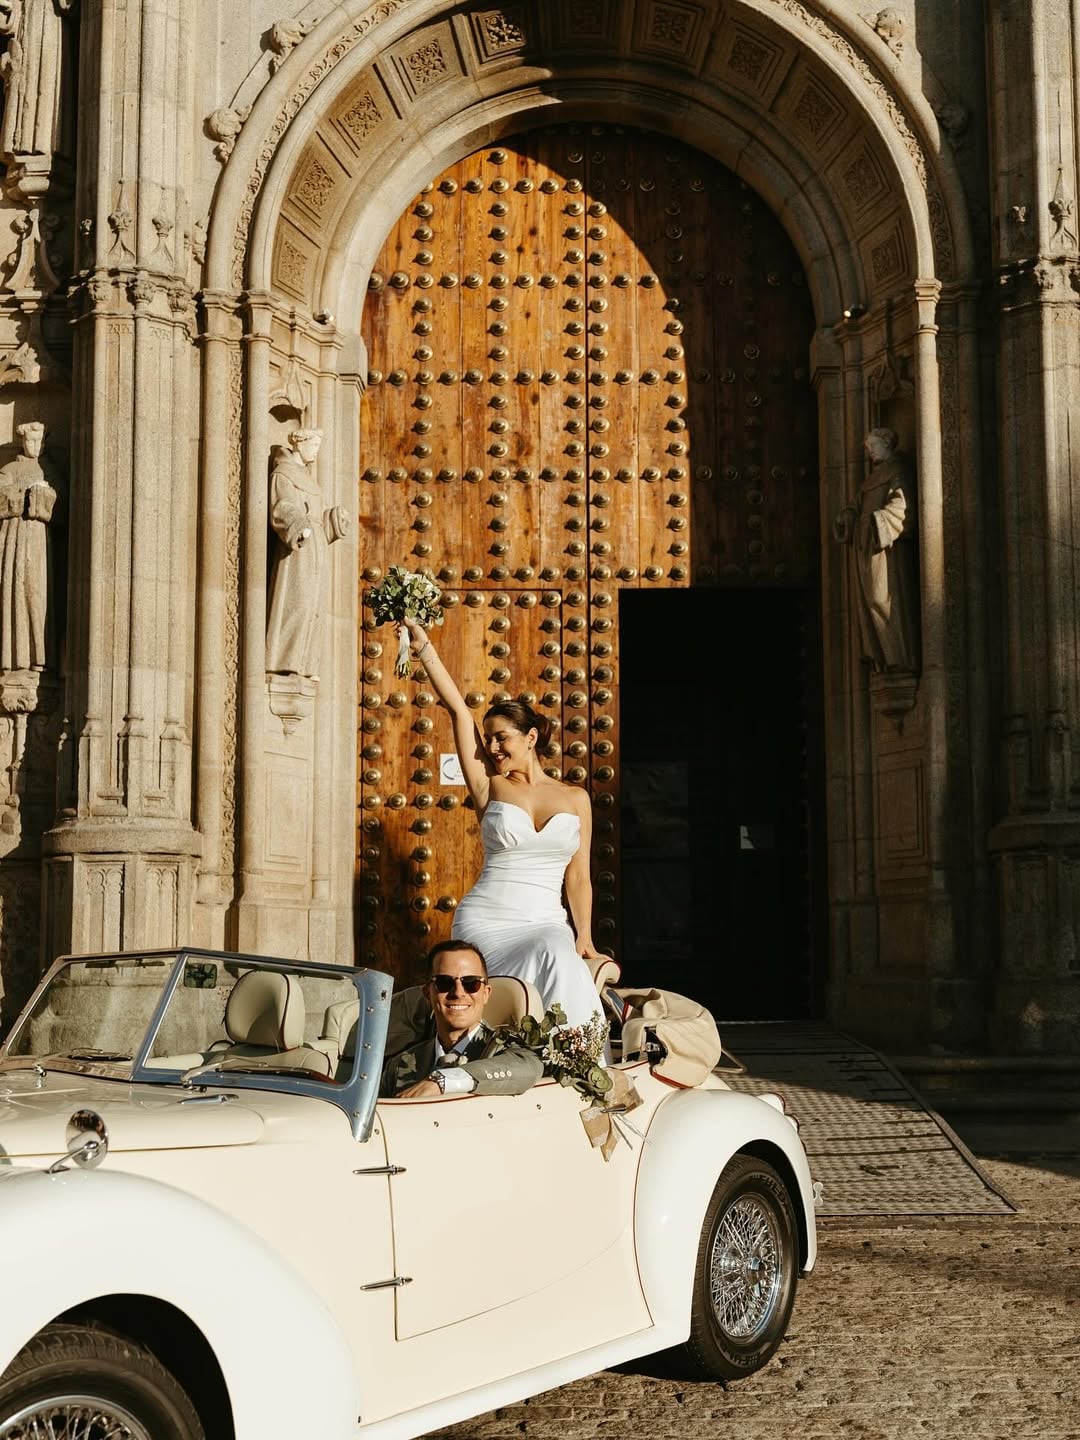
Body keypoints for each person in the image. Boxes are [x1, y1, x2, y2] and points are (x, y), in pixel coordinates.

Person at [402, 615, 603, 1028]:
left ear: (530, 738)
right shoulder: (489, 787)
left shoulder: (575, 798)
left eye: (502, 738)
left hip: (546, 918)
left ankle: (576, 1063)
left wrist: (583, 934)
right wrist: (424, 646)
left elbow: (578, 878)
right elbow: (458, 710)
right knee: (550, 954)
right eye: (488, 738)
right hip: (488, 919)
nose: (492, 747)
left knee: (557, 950)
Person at [380, 940, 544, 1099]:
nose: (458, 993)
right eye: (444, 983)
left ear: (486, 993)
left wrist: (444, 1080)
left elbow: (531, 1066)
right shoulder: (399, 1065)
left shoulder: (507, 1051)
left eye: (471, 983)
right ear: (427, 994)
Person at [833, 427, 919, 672]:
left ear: (886, 443)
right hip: (865, 545)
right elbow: (855, 507)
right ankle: (879, 658)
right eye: (868, 449)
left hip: (883, 547)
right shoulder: (870, 480)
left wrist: (877, 522)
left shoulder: (898, 470)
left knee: (884, 598)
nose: (869, 452)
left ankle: (898, 659)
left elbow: (902, 506)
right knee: (869, 601)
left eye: (873, 446)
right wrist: (847, 518)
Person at [265, 427, 347, 679]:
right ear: (300, 444)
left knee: (315, 606)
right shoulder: (284, 474)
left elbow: (317, 514)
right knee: (297, 604)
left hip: (316, 549)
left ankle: (306, 663)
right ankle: (284, 659)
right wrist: (298, 526)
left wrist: (333, 519)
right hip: (298, 552)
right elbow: (282, 505)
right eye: (313, 446)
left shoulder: (308, 477)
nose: (316, 452)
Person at [0, 420, 57, 671]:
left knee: (37, 595)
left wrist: (44, 498)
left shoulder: (50, 471)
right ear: (22, 442)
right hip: (14, 538)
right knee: (15, 593)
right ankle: (15, 659)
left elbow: (62, 505)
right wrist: (21, 497)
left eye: (38, 441)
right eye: (30, 441)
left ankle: (40, 657)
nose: (34, 446)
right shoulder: (9, 469)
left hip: (39, 541)